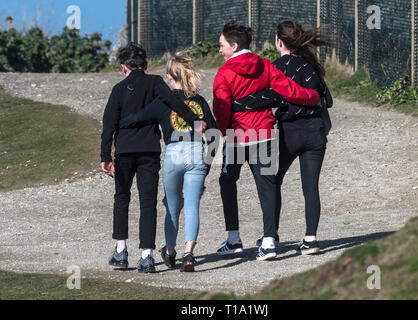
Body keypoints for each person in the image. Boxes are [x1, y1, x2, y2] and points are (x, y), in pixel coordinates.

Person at [213, 21, 320, 261]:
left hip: (238, 135)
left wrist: (222, 132)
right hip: (264, 133)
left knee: (227, 180)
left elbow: (221, 108)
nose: (219, 50)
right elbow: (289, 89)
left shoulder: (224, 73)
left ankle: (233, 239)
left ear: (233, 45)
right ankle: (269, 242)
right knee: (267, 186)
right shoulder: (264, 65)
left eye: (221, 45)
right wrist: (312, 97)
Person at [101, 43, 204, 273]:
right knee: (147, 202)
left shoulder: (118, 89)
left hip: (125, 151)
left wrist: (105, 155)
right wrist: (194, 120)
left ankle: (120, 251)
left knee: (122, 198)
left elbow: (109, 123)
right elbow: (174, 102)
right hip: (149, 150)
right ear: (146, 65)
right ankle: (146, 256)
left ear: (123, 67)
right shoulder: (156, 82)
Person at [119, 54, 217, 272]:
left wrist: (119, 121)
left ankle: (170, 251)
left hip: (173, 153)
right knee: (192, 207)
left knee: (172, 207)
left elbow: (138, 118)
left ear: (171, 77)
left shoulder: (164, 101)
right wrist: (207, 163)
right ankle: (189, 253)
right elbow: (214, 134)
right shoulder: (200, 101)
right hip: (195, 151)